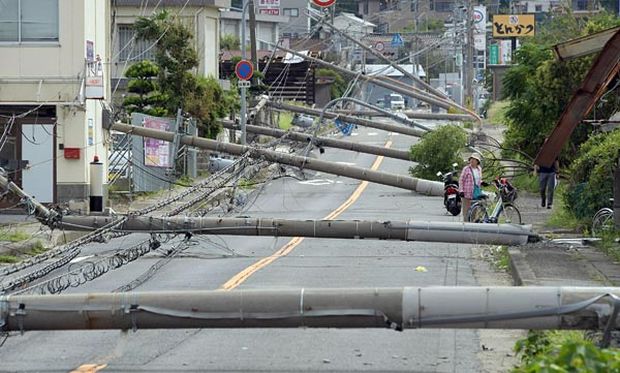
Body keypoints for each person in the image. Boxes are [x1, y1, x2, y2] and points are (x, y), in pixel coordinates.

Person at [459, 153, 483, 222]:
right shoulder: (466, 169)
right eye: (471, 159)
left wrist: (482, 182)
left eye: (474, 159)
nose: (472, 160)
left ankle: (472, 227)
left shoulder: (479, 169)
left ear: (477, 161)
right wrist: (461, 190)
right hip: (466, 193)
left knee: (474, 211)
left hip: (476, 193)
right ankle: (465, 226)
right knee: (466, 212)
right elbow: (461, 180)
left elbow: (478, 180)